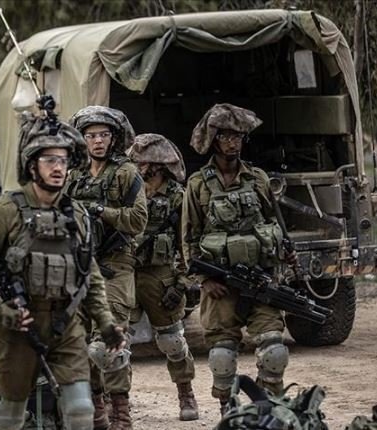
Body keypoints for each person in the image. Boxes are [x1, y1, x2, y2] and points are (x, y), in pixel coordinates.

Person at [0, 111, 126, 430]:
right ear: (32, 165)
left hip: (67, 326)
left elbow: (89, 275)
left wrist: (105, 322)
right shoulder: (5, 210)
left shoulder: (77, 213)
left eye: (63, 160)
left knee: (80, 410)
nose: (58, 167)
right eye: (49, 159)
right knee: (10, 415)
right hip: (18, 327)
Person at [182, 104, 296, 415]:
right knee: (222, 356)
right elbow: (188, 237)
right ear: (213, 141)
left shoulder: (257, 179)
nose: (233, 143)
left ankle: (265, 407)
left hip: (260, 278)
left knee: (274, 350)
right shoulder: (198, 184)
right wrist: (204, 279)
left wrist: (283, 258)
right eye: (225, 137)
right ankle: (228, 410)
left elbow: (275, 224)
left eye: (238, 137)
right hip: (220, 283)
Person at [66, 106, 147, 430]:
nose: (97, 141)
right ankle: (98, 406)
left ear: (113, 138)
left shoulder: (126, 173)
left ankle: (121, 413)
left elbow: (138, 221)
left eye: (103, 135)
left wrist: (101, 211)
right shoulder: (73, 175)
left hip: (115, 265)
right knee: (80, 343)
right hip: (80, 266)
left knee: (109, 343)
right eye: (90, 136)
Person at [127, 133, 199, 421]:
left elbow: (187, 244)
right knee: (115, 342)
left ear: (157, 165)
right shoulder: (126, 192)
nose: (137, 167)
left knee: (172, 340)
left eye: (143, 163)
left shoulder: (177, 197)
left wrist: (181, 284)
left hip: (161, 276)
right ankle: (116, 399)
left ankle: (186, 393)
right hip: (125, 274)